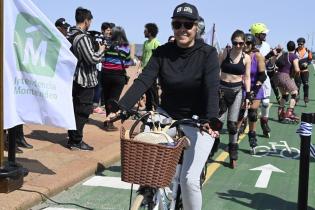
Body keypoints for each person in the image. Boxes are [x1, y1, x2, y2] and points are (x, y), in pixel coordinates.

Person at [109, 3, 220, 209]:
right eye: (177, 24)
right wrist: (122, 107)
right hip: (166, 116)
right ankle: (150, 194)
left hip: (200, 120)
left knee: (189, 180)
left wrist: (211, 118)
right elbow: (144, 80)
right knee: (149, 165)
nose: (182, 29)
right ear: (172, 27)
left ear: (196, 27)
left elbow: (212, 87)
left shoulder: (208, 54)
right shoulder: (162, 52)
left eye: (187, 24)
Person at [67, 7, 106, 151]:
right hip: (84, 80)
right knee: (82, 111)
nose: (90, 24)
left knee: (75, 109)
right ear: (86, 21)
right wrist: (101, 50)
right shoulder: (82, 37)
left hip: (74, 77)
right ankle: (76, 141)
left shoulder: (70, 34)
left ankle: (73, 137)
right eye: (90, 21)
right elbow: (92, 58)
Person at [218, 29, 251, 168]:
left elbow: (247, 77)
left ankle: (233, 155)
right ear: (231, 42)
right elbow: (216, 70)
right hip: (222, 90)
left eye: (240, 43)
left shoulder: (246, 58)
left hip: (237, 91)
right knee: (217, 124)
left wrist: (248, 95)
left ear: (244, 44)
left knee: (232, 125)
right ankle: (210, 150)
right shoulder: (225, 52)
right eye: (235, 43)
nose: (237, 46)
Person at [101, 26, 132, 131]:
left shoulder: (107, 44)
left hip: (105, 74)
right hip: (118, 76)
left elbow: (103, 59)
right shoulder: (125, 46)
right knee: (114, 100)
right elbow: (127, 64)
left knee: (106, 98)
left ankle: (107, 120)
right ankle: (109, 122)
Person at [242, 33, 267, 153]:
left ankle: (252, 136)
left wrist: (254, 91)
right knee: (239, 114)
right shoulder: (238, 54)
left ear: (252, 44)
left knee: (252, 113)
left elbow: (263, 75)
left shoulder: (257, 56)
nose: (245, 45)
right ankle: (234, 138)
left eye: (248, 43)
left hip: (254, 87)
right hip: (241, 88)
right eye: (244, 43)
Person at [249, 23, 274, 138]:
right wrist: (270, 55)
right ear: (257, 35)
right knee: (248, 103)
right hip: (252, 77)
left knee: (265, 102)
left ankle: (264, 121)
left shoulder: (266, 45)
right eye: (263, 34)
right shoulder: (250, 45)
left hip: (264, 77)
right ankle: (245, 122)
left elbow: (266, 63)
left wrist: (272, 60)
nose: (265, 35)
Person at [272, 41, 300, 122]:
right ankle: (289, 112)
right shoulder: (294, 56)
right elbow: (297, 69)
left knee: (284, 95)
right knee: (295, 93)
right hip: (285, 76)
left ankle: (281, 113)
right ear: (295, 48)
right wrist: (296, 76)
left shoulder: (283, 54)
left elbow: (275, 63)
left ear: (287, 47)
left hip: (277, 77)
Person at [92, 22, 115, 114]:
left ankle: (99, 104)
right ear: (103, 30)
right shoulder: (100, 39)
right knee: (98, 86)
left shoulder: (107, 39)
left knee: (102, 86)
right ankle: (95, 105)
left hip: (104, 66)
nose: (109, 32)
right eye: (108, 30)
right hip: (99, 65)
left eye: (110, 30)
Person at [141, 23, 160, 111]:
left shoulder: (156, 43)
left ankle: (157, 108)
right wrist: (140, 68)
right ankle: (148, 109)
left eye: (145, 30)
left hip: (153, 70)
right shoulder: (145, 43)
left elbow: (159, 57)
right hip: (145, 69)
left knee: (153, 90)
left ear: (150, 32)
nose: (144, 32)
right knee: (146, 90)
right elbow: (143, 56)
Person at [295, 37, 312, 106]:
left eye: (301, 44)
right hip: (297, 71)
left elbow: (310, 59)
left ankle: (306, 97)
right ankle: (296, 98)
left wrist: (307, 63)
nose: (299, 45)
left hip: (305, 71)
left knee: (306, 84)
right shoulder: (295, 51)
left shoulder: (307, 51)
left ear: (304, 44)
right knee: (297, 85)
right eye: (298, 44)